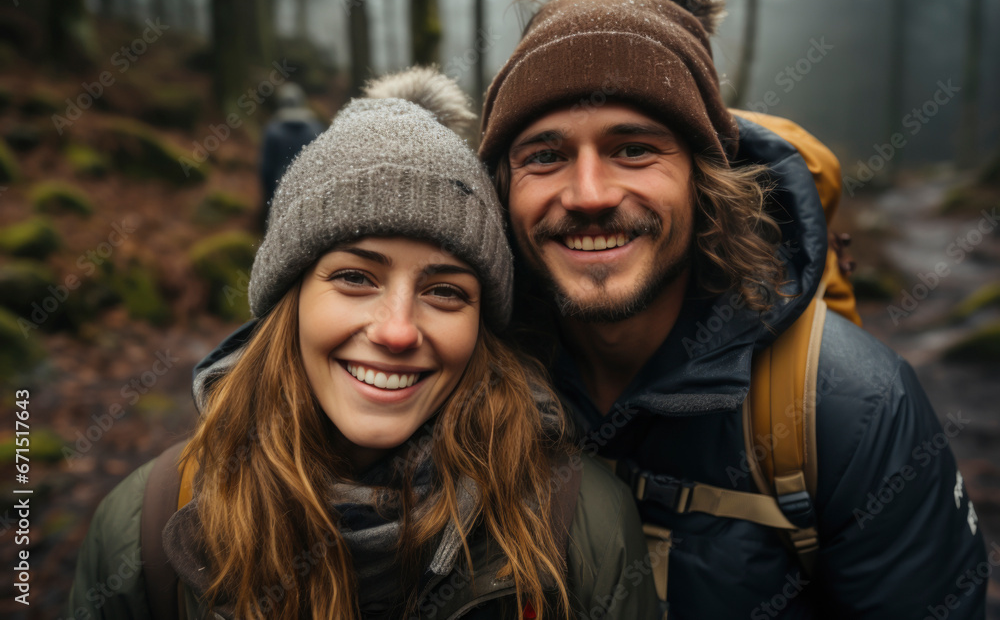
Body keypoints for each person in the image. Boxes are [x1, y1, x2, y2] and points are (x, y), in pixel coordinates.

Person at [476, 0, 988, 618]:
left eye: (634, 148)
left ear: (706, 180)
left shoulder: (849, 408)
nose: (589, 194)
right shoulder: (468, 371)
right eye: (544, 155)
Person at [68, 69, 659, 620]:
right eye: (355, 278)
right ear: (290, 297)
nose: (397, 331)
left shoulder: (582, 522)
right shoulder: (143, 525)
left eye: (445, 291)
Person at [258, 82, 325, 218]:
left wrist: (268, 196)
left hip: (279, 192)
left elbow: (266, 169)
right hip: (311, 193)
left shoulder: (272, 131)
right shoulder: (315, 128)